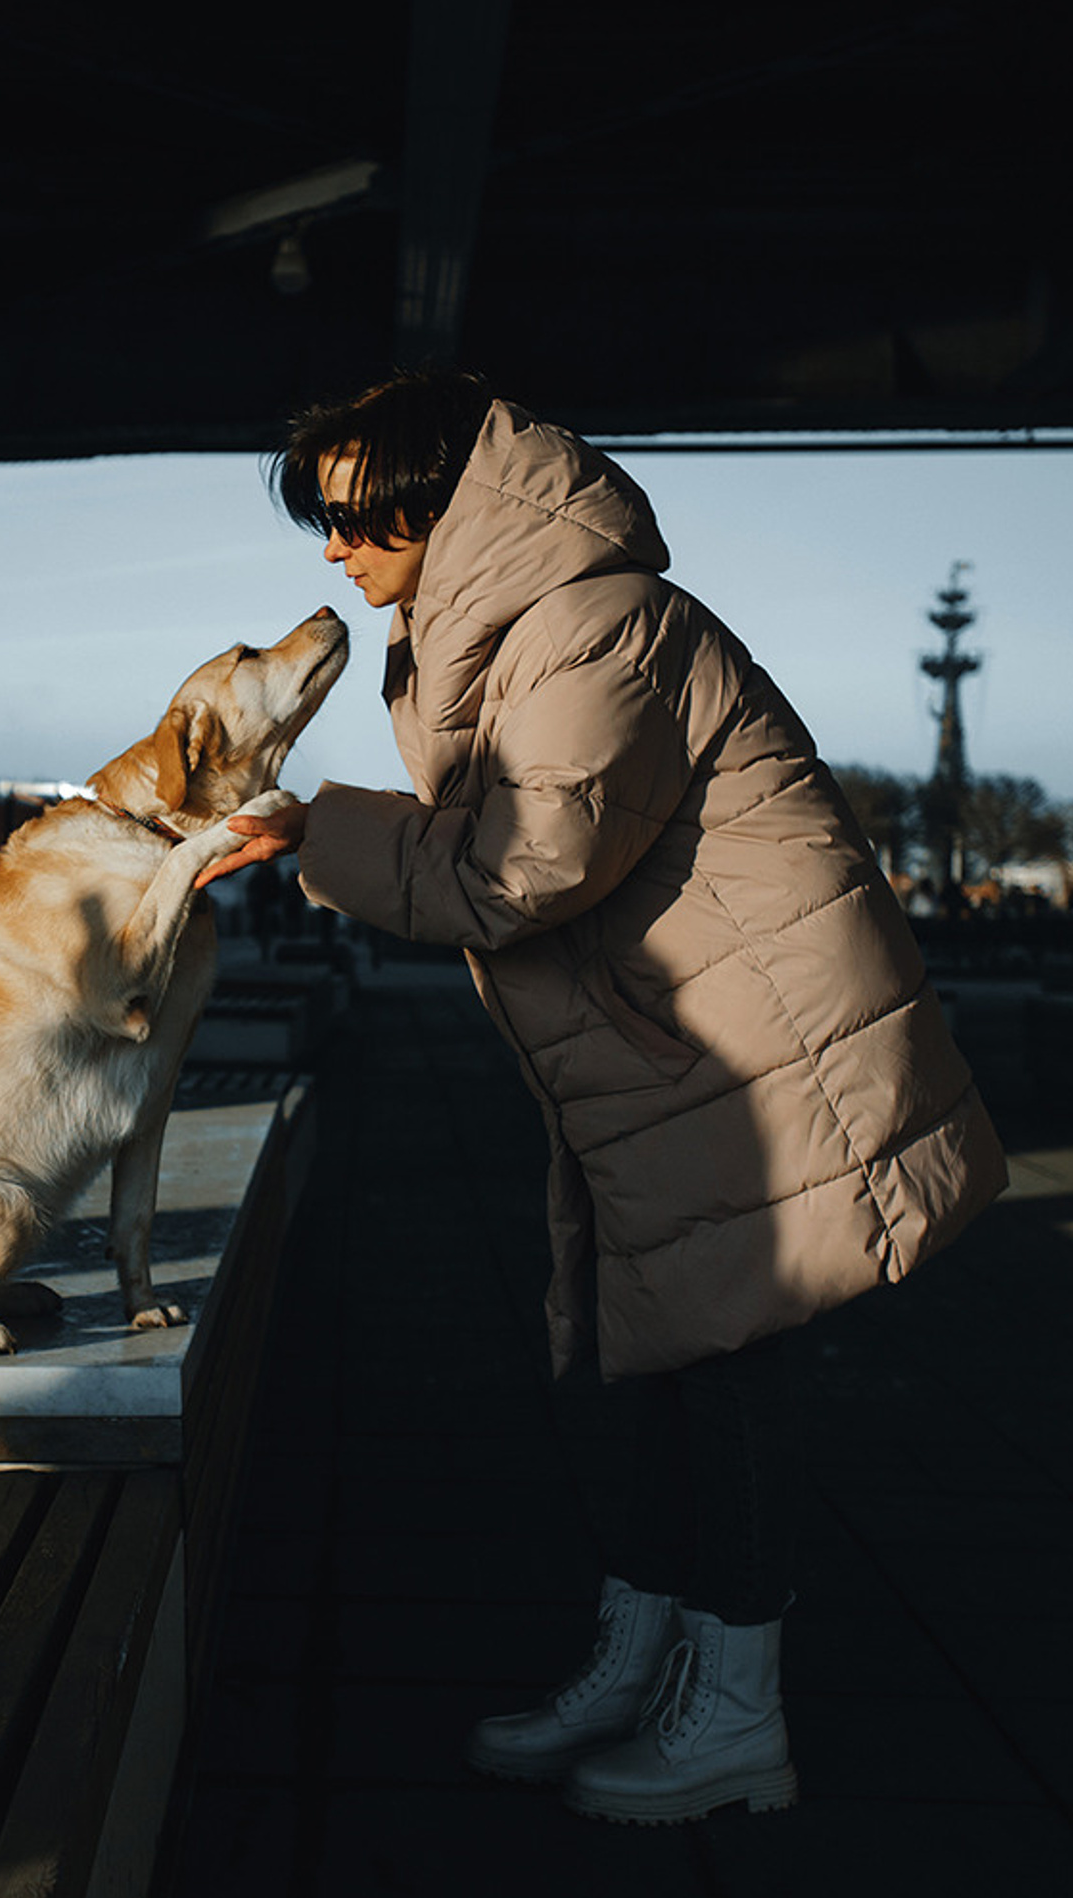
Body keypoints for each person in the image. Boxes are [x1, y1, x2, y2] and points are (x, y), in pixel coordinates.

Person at [200, 369, 1007, 1824]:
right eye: (320, 516)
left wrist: (319, 832)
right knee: (652, 1357)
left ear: (442, 501)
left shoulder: (592, 629)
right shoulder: (503, 634)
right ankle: (647, 1662)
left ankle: (736, 1716)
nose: (332, 546)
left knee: (726, 1365)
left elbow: (519, 869)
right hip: (671, 1043)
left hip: (752, 1046)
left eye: (354, 512)